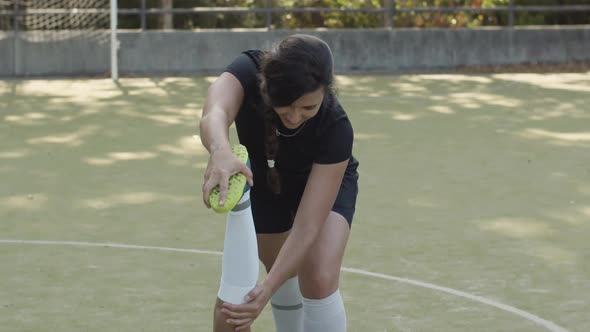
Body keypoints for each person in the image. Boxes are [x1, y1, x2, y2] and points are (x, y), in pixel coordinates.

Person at [200, 34, 359, 332]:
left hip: (321, 181)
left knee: (318, 275)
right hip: (265, 180)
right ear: (268, 87)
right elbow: (215, 111)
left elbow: (307, 227)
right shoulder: (248, 71)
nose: (295, 117)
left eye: (308, 108)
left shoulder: (336, 128)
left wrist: (266, 290)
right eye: (285, 106)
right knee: (282, 273)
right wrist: (220, 151)